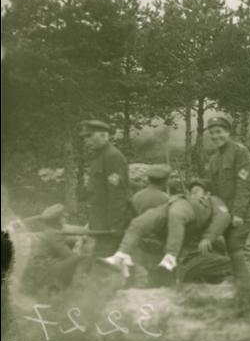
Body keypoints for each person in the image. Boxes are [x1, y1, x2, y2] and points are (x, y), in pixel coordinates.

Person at [103, 180, 233, 285]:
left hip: (186, 235)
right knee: (139, 223)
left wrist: (208, 238)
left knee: (176, 216)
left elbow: (223, 217)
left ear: (207, 194)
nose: (193, 193)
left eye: (197, 190)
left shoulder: (213, 201)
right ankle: (120, 254)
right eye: (191, 191)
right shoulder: (183, 200)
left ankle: (170, 259)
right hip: (173, 208)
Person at [206, 115, 250, 281]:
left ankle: (245, 287)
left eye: (219, 131)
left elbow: (244, 185)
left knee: (234, 246)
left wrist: (238, 213)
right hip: (226, 213)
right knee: (226, 247)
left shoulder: (240, 152)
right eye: (212, 133)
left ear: (228, 132)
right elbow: (215, 189)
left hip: (244, 212)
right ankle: (244, 278)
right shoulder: (214, 159)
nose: (215, 136)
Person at [81, 120, 130, 257]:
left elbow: (118, 194)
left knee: (104, 263)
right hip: (100, 223)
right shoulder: (100, 156)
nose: (86, 140)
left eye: (90, 136)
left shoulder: (112, 156)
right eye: (84, 137)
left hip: (109, 227)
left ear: (104, 135)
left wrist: (115, 226)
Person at [19, 204, 92, 297]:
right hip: (44, 268)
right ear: (57, 220)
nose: (65, 218)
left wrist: (77, 238)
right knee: (82, 258)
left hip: (37, 264)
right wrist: (79, 242)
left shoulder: (49, 230)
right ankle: (73, 287)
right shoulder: (53, 234)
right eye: (63, 217)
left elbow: (62, 240)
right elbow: (70, 256)